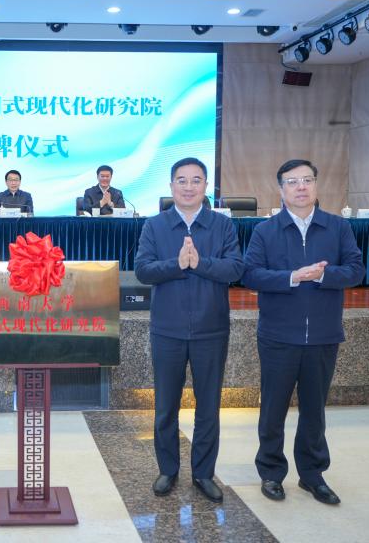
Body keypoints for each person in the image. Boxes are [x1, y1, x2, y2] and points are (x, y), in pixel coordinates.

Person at [243, 159, 364, 506]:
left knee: (314, 411)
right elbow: (250, 274)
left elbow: (356, 270)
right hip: (278, 336)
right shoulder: (266, 231)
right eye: (292, 182)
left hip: (323, 335)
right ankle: (271, 472)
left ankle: (312, 475)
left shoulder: (337, 227)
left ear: (316, 185)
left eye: (307, 180)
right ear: (281, 189)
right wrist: (293, 277)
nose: (300, 187)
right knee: (273, 409)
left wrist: (323, 275)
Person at [134, 157, 244, 503]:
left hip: (211, 329)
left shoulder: (222, 225)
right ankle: (168, 470)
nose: (188, 186)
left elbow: (235, 269)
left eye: (196, 180)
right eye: (181, 180)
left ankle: (203, 473)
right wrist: (178, 264)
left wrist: (200, 263)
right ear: (171, 186)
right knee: (165, 406)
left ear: (206, 186)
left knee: (208, 406)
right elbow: (143, 270)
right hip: (167, 329)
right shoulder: (155, 225)